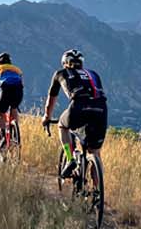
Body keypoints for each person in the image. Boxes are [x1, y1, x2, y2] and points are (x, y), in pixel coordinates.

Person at [42, 48, 108, 179]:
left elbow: (51, 99)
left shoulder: (61, 73)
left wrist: (47, 117)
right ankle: (97, 193)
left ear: (65, 63)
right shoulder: (93, 74)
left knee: (62, 125)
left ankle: (70, 157)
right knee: (95, 152)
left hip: (79, 105)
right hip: (101, 108)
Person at [0, 52, 25, 156]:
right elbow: (22, 84)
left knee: (1, 112)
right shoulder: (17, 69)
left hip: (6, 90)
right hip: (19, 91)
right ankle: (15, 130)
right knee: (14, 108)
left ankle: (3, 135)